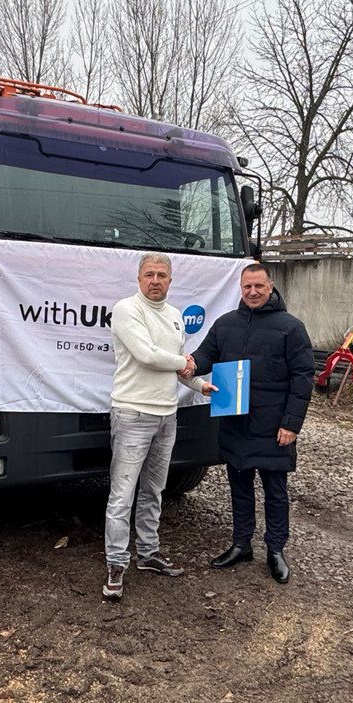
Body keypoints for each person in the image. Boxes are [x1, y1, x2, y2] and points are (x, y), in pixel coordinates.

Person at [184, 263, 314, 584]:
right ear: (240, 290)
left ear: (271, 287)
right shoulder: (226, 324)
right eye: (247, 288)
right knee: (239, 489)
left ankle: (275, 550)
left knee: (275, 491)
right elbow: (206, 354)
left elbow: (303, 378)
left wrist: (291, 424)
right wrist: (191, 364)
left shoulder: (290, 327)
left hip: (274, 427)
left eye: (259, 286)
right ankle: (241, 545)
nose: (253, 292)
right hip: (236, 424)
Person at [104, 253, 215, 602]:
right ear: (139, 279)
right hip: (133, 415)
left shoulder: (175, 316)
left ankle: (148, 554)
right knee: (122, 496)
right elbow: (147, 355)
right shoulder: (126, 309)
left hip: (167, 417)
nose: (156, 280)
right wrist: (186, 363)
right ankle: (116, 564)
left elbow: (176, 368)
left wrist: (198, 385)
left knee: (155, 490)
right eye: (149, 274)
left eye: (162, 275)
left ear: (170, 280)